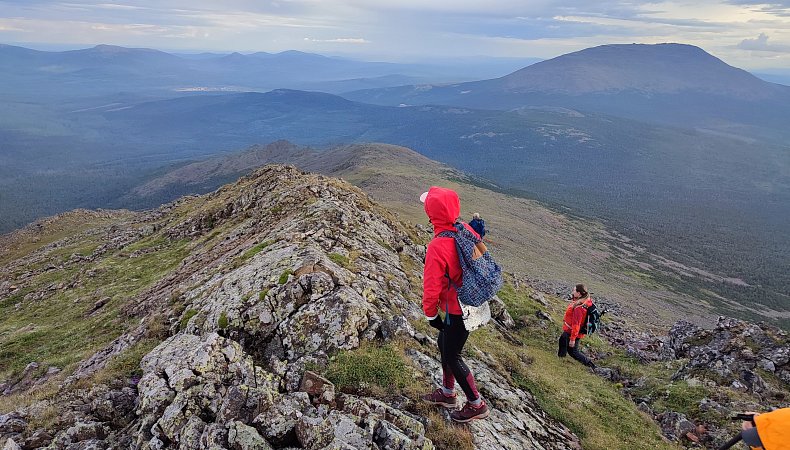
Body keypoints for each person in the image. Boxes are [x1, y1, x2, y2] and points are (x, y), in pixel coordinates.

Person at [419, 186, 489, 423]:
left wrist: (431, 315)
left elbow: (431, 287)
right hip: (472, 304)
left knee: (452, 355)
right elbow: (480, 253)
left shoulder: (438, 246)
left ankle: (476, 404)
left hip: (456, 310)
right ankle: (448, 393)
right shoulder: (464, 229)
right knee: (444, 345)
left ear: (432, 215)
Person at [558, 284, 597, 368]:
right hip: (570, 331)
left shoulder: (579, 308)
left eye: (574, 290)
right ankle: (560, 360)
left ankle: (591, 365)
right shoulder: (582, 301)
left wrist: (572, 339)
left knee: (573, 352)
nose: (572, 292)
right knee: (563, 341)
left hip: (572, 332)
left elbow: (576, 324)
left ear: (579, 293)